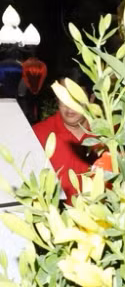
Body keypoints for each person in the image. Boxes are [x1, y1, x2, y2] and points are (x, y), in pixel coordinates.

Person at [32, 74, 93, 202]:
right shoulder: (39, 134)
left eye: (76, 99)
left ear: (91, 99)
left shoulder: (110, 136)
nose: (69, 106)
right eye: (63, 97)